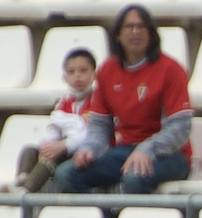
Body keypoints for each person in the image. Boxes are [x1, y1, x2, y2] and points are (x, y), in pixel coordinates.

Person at [55, 4, 192, 194]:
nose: (135, 32)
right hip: (125, 150)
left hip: (169, 154)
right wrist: (90, 148)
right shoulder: (107, 70)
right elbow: (100, 124)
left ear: (152, 34)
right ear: (118, 34)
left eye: (141, 26)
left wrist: (147, 149)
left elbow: (180, 128)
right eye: (129, 27)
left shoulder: (170, 69)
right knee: (66, 174)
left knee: (134, 178)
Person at [12, 47, 96, 193]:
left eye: (83, 70)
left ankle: (26, 190)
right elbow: (54, 127)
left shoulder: (98, 102)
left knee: (52, 157)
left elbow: (88, 134)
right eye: (71, 72)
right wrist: (48, 144)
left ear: (94, 74)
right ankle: (22, 182)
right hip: (64, 148)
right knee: (30, 150)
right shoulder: (64, 102)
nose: (77, 76)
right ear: (65, 76)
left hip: (84, 153)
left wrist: (63, 144)